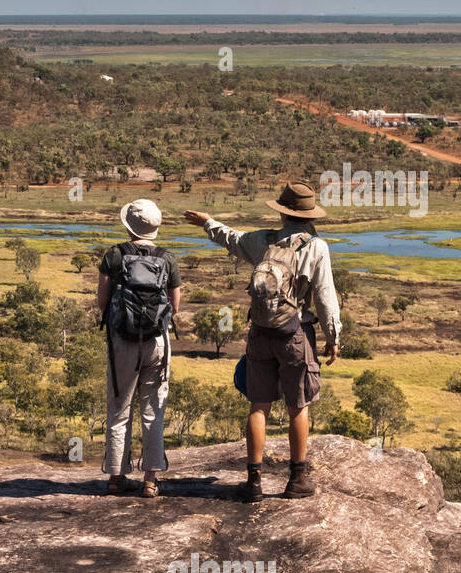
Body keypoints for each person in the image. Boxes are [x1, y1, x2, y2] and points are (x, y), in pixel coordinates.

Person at [184, 181, 341, 501]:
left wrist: (207, 222)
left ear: (283, 212)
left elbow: (231, 239)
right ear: (310, 215)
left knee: (259, 406)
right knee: (298, 406)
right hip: (294, 334)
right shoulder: (316, 247)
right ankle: (297, 479)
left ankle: (253, 483)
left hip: (259, 332)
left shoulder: (262, 240)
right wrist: (333, 336)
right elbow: (326, 297)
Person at [97, 199, 181, 498]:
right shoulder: (167, 258)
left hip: (121, 340)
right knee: (152, 412)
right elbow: (175, 305)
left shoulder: (114, 254)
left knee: (119, 409)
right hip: (157, 341)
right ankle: (150, 479)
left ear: (128, 225)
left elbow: (102, 301)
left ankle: (116, 478)